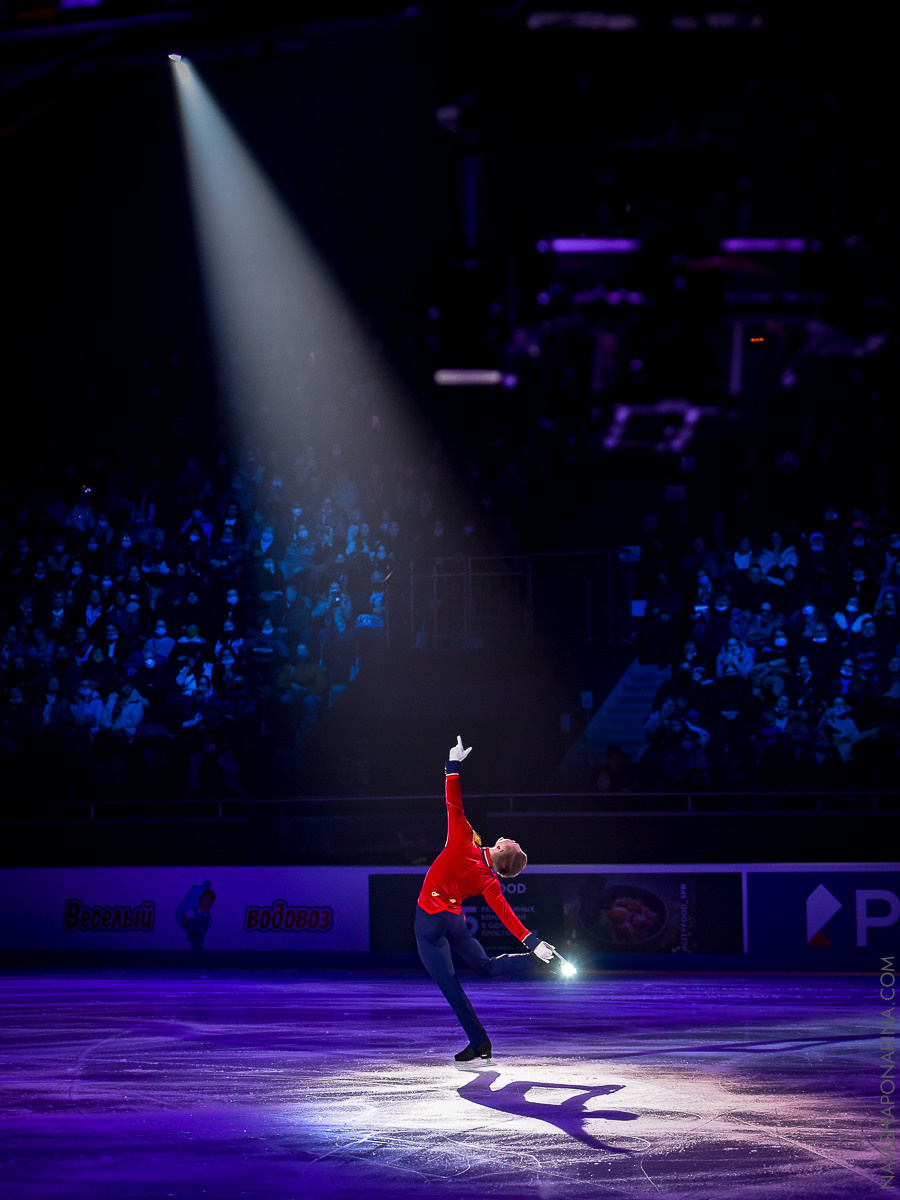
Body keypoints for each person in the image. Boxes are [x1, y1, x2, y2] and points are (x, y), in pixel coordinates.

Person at [415, 736, 556, 1065]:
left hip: (430, 923)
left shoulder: (463, 837)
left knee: (450, 985)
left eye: (514, 845)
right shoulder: (489, 880)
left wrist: (452, 765)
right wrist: (533, 944)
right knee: (485, 968)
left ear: (503, 853)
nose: (513, 839)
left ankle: (479, 1043)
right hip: (453, 920)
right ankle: (536, 962)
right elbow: (506, 914)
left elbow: (454, 803)